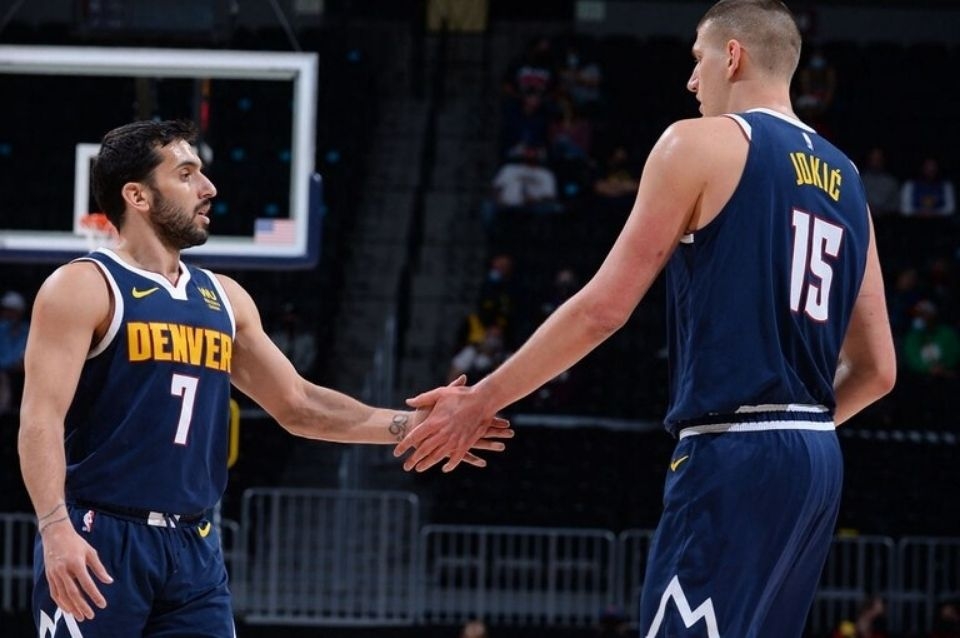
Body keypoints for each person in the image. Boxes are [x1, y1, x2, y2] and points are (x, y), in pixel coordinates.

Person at [395, 2, 896, 637]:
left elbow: (603, 309)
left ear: (732, 56)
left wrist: (480, 401)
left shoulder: (697, 143)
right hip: (817, 459)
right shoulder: (849, 180)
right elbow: (879, 371)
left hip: (733, 445)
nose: (691, 80)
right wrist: (793, 437)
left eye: (697, 59)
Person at [17, 119, 513, 637]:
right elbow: (40, 419)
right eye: (186, 174)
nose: (208, 188)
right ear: (137, 195)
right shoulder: (83, 287)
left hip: (194, 546)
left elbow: (298, 404)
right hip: (100, 535)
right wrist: (55, 527)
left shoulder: (224, 297)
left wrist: (412, 424)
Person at [0, 290, 29, 414]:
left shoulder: (27, 331)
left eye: (11, 311)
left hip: (21, 374)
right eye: (6, 310)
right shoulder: (1, 329)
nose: (7, 314)